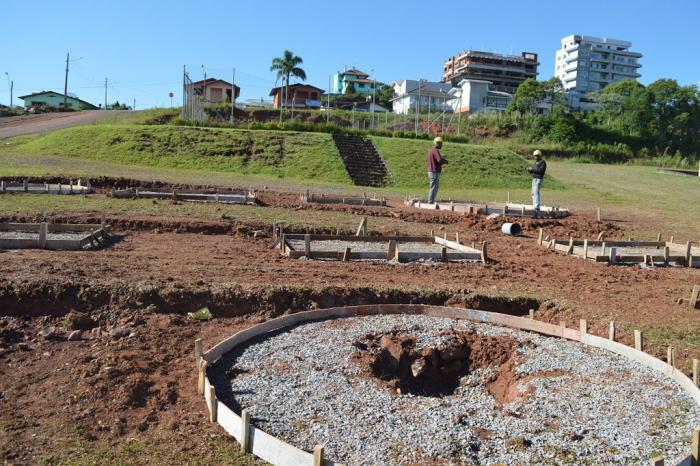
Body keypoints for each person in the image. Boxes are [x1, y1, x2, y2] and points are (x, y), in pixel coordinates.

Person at [427, 136, 448, 204]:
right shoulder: (436, 151)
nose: (441, 145)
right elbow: (439, 160)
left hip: (431, 171)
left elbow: (436, 160)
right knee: (434, 187)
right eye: (440, 143)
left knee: (433, 186)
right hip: (434, 171)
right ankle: (430, 202)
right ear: (437, 143)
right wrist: (445, 161)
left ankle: (431, 201)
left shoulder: (430, 150)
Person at [527, 149, 547, 216]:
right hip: (534, 178)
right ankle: (534, 206)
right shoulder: (535, 163)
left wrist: (533, 169)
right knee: (533, 193)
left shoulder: (542, 162)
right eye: (534, 156)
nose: (535, 157)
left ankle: (536, 207)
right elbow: (534, 170)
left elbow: (541, 171)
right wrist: (530, 170)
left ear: (539, 156)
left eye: (536, 156)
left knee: (536, 192)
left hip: (539, 179)